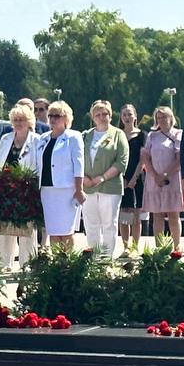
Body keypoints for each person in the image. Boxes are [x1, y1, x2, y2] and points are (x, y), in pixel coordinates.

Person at [0, 102, 39, 269]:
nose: (18, 122)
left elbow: (39, 167)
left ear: (29, 121)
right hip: (6, 191)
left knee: (27, 231)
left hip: (27, 191)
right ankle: (3, 264)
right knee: (5, 230)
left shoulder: (37, 140)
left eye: (22, 119)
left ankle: (27, 264)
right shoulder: (5, 139)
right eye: (16, 119)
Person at [32, 100, 84, 249]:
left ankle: (68, 265)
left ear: (66, 118)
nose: (53, 119)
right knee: (53, 232)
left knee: (66, 231)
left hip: (66, 191)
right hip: (47, 191)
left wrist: (79, 190)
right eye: (51, 116)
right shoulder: (43, 138)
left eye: (57, 116)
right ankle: (57, 267)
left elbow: (79, 165)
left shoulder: (73, 137)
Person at [81, 100, 129, 257]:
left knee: (109, 223)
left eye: (105, 114)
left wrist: (102, 178)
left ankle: (106, 259)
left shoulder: (118, 134)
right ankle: (93, 257)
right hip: (87, 186)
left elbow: (121, 161)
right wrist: (83, 178)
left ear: (110, 115)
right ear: (93, 117)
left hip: (110, 187)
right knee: (90, 223)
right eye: (98, 114)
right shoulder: (86, 135)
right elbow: (77, 159)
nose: (101, 117)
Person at [140, 106, 184, 247]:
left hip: (172, 180)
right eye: (159, 117)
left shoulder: (178, 134)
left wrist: (166, 174)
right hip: (154, 180)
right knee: (157, 216)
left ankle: (176, 247)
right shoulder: (152, 136)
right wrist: (155, 175)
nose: (162, 120)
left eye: (164, 117)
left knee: (173, 215)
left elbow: (179, 158)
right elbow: (145, 157)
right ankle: (159, 248)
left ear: (171, 118)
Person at [118, 104, 146, 252]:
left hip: (137, 178)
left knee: (136, 215)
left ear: (135, 116)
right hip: (120, 179)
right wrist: (121, 178)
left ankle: (135, 247)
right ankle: (125, 247)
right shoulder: (117, 134)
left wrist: (134, 178)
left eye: (130, 114)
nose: (127, 117)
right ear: (121, 117)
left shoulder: (142, 135)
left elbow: (143, 159)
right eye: (124, 115)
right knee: (124, 215)